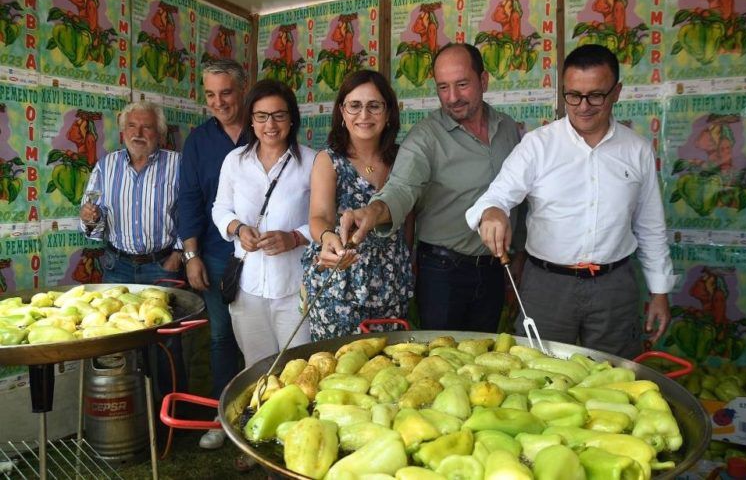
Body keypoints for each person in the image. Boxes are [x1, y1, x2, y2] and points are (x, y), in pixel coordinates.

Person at [465, 44, 676, 359]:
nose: (583, 106)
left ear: (616, 92)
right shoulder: (538, 145)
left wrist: (660, 292)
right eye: (573, 95)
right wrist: (493, 212)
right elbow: (496, 196)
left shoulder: (637, 150)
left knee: (615, 380)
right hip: (547, 285)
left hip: (614, 286)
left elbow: (650, 226)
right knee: (537, 376)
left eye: (596, 95)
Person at [339, 43, 524, 333]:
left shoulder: (509, 129)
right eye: (443, 87)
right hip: (443, 273)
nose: (452, 98)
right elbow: (401, 188)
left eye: (462, 84)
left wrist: (518, 260)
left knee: (486, 361)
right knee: (442, 359)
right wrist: (373, 212)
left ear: (484, 80)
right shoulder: (425, 137)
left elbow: (519, 198)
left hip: (494, 269)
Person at [79, 100, 187, 395]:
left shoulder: (177, 164)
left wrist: (178, 254)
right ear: (122, 130)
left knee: (166, 343)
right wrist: (91, 218)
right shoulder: (105, 166)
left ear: (159, 133)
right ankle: (132, 415)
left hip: (162, 265)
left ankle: (170, 414)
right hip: (118, 267)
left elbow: (192, 212)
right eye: (132, 126)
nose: (138, 133)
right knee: (118, 340)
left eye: (147, 127)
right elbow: (90, 223)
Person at [302, 70, 413, 341]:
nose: (364, 115)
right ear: (342, 112)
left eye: (374, 106)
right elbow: (319, 217)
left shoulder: (403, 159)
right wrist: (328, 237)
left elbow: (410, 220)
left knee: (388, 372)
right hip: (340, 285)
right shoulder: (329, 160)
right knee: (337, 372)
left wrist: (408, 262)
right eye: (354, 106)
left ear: (389, 113)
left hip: (392, 285)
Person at [211, 79, 313, 369]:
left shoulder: (312, 162)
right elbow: (220, 208)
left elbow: (328, 219)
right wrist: (238, 229)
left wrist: (294, 237)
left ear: (291, 119)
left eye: (279, 115)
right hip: (248, 287)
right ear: (251, 121)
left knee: (298, 369)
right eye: (261, 116)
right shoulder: (235, 161)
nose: (271, 124)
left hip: (296, 289)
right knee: (257, 369)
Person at [177, 59, 246, 450]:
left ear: (243, 88)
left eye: (226, 92)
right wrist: (191, 255)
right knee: (221, 338)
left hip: (267, 256)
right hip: (218, 256)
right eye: (210, 94)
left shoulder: (265, 126)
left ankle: (259, 412)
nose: (219, 102)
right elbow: (189, 200)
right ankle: (222, 416)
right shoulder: (199, 141)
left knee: (266, 340)